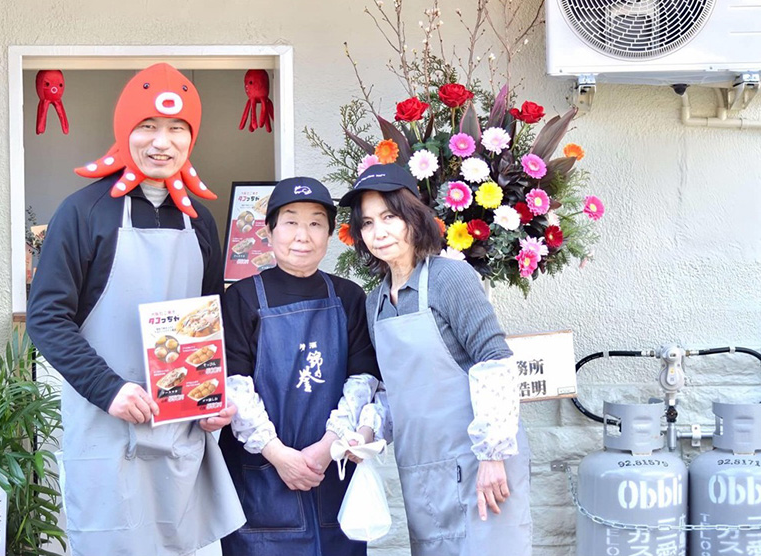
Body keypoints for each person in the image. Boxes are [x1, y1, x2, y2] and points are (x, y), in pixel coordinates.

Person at [27, 63, 245, 556]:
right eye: (147, 126)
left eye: (176, 129)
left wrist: (214, 401)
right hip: (106, 428)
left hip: (180, 432)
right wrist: (111, 390)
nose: (161, 142)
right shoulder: (82, 213)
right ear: (125, 131)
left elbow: (211, 321)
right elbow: (46, 318)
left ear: (192, 139)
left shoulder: (200, 222)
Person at [340, 163, 532, 556]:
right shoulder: (375, 303)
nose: (379, 232)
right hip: (421, 469)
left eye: (390, 217)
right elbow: (395, 391)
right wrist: (367, 433)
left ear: (413, 216)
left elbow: (493, 361)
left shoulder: (450, 279)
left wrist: (493, 456)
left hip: (479, 462)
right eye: (368, 223)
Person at [219, 177, 383, 556]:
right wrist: (278, 454)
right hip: (261, 475)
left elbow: (363, 380)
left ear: (329, 233)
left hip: (332, 470)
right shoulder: (241, 297)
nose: (302, 235)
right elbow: (234, 384)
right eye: (290, 221)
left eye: (315, 223)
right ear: (269, 230)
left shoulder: (348, 296)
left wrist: (327, 447)